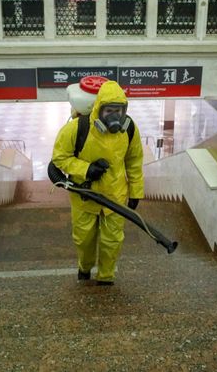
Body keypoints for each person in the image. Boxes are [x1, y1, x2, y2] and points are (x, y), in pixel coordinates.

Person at [52, 80, 144, 286]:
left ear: (125, 110)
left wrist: (136, 191)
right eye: (109, 110)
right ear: (98, 109)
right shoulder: (76, 129)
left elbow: (134, 161)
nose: (115, 116)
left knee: (112, 241)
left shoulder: (129, 130)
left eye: (118, 111)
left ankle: (106, 276)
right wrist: (86, 169)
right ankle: (84, 268)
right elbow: (59, 158)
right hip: (85, 197)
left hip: (115, 197)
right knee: (84, 240)